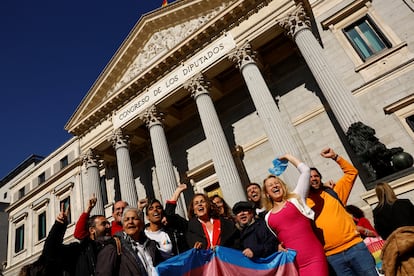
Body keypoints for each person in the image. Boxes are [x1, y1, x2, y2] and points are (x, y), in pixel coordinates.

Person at [307, 147, 377, 276]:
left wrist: (335, 157)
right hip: (333, 257)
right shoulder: (303, 205)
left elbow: (351, 172)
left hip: (356, 248)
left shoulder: (333, 192)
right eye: (309, 177)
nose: (313, 179)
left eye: (316, 176)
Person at [263, 153, 328, 276]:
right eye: (270, 185)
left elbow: (306, 171)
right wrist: (279, 247)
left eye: (277, 183)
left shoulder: (296, 198)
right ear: (267, 194)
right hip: (294, 265)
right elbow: (279, 240)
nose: (275, 186)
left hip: (314, 258)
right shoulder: (268, 217)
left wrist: (288, 157)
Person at [40, 203, 111, 275]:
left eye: (108, 223)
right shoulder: (79, 251)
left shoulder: (114, 247)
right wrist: (59, 225)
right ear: (92, 230)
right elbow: (50, 251)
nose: (108, 226)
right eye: (104, 224)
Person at [96, 206, 162, 275]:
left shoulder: (151, 245)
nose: (130, 222)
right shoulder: (113, 246)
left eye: (134, 219)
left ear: (142, 223)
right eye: (126, 220)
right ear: (123, 225)